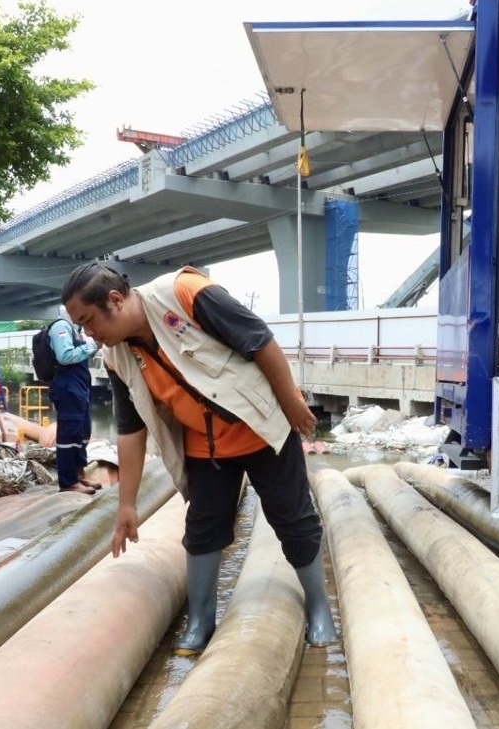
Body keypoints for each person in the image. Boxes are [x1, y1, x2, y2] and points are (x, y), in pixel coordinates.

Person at [61, 262, 336, 654]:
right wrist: (127, 504)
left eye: (89, 321)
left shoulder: (186, 292)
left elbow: (259, 340)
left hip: (261, 431)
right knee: (202, 532)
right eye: (81, 327)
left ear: (115, 300)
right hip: (205, 448)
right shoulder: (115, 358)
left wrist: (292, 403)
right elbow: (130, 428)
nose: (89, 334)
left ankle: (319, 608)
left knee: (294, 520)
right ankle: (201, 622)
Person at [46, 307, 102, 495]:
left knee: (82, 432)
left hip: (79, 388)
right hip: (67, 389)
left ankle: (79, 474)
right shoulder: (61, 326)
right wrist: (92, 346)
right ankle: (68, 482)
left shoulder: (75, 329)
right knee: (68, 436)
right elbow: (65, 356)